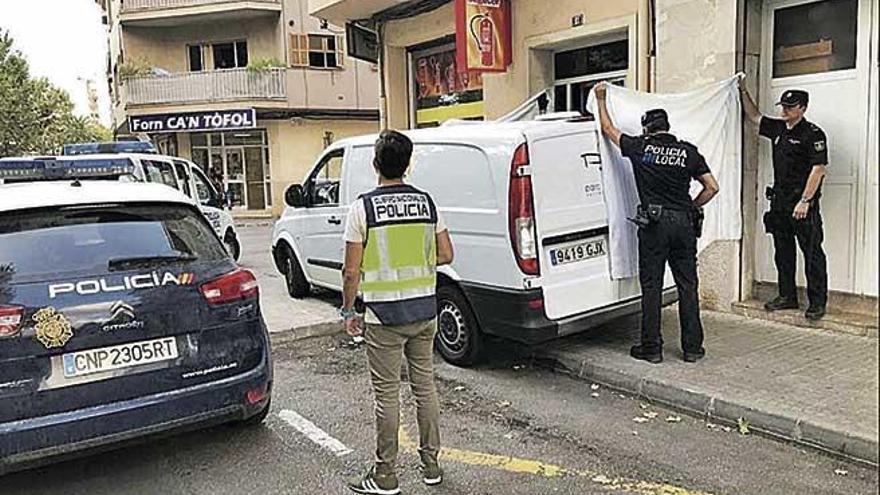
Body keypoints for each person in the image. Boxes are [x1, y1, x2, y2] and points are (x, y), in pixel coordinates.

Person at [340, 130, 454, 494]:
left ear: (376, 164)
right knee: (425, 389)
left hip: (383, 318)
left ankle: (385, 475)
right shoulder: (428, 203)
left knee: (387, 396)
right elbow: (447, 254)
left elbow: (350, 271)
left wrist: (347, 311)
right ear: (407, 164)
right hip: (424, 313)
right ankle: (431, 465)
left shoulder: (363, 208)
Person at [594, 82, 720, 364]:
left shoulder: (641, 147)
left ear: (648, 129)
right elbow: (712, 186)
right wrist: (690, 206)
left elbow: (608, 129)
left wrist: (601, 98)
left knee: (651, 286)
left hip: (655, 224)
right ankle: (693, 349)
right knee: (687, 285)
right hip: (684, 225)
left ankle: (651, 348)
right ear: (667, 127)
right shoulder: (688, 151)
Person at [739, 82, 828, 321]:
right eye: (784, 106)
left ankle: (817, 302)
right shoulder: (779, 128)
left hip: (802, 204)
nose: (785, 110)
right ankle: (787, 295)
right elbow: (755, 117)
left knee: (811, 253)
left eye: (790, 107)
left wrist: (805, 200)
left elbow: (818, 169)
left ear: (803, 108)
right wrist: (743, 91)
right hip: (780, 204)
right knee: (783, 252)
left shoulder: (813, 134)